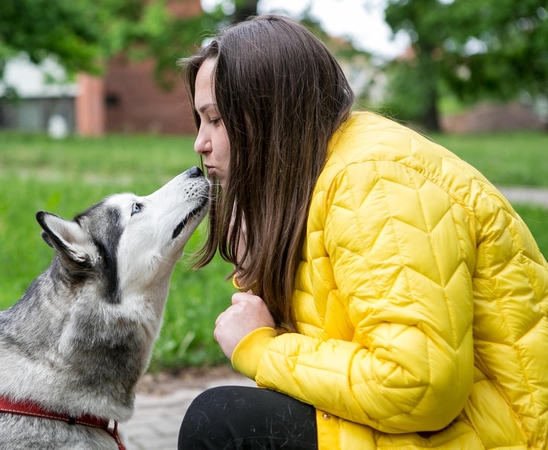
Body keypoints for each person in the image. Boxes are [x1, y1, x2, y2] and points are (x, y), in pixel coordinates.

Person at [176, 14, 548, 450]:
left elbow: (418, 383)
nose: (201, 143)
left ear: (270, 110)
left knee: (222, 423)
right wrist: (260, 266)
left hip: (498, 435)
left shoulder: (376, 184)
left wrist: (261, 347)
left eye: (216, 120)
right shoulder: (325, 173)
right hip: (442, 428)